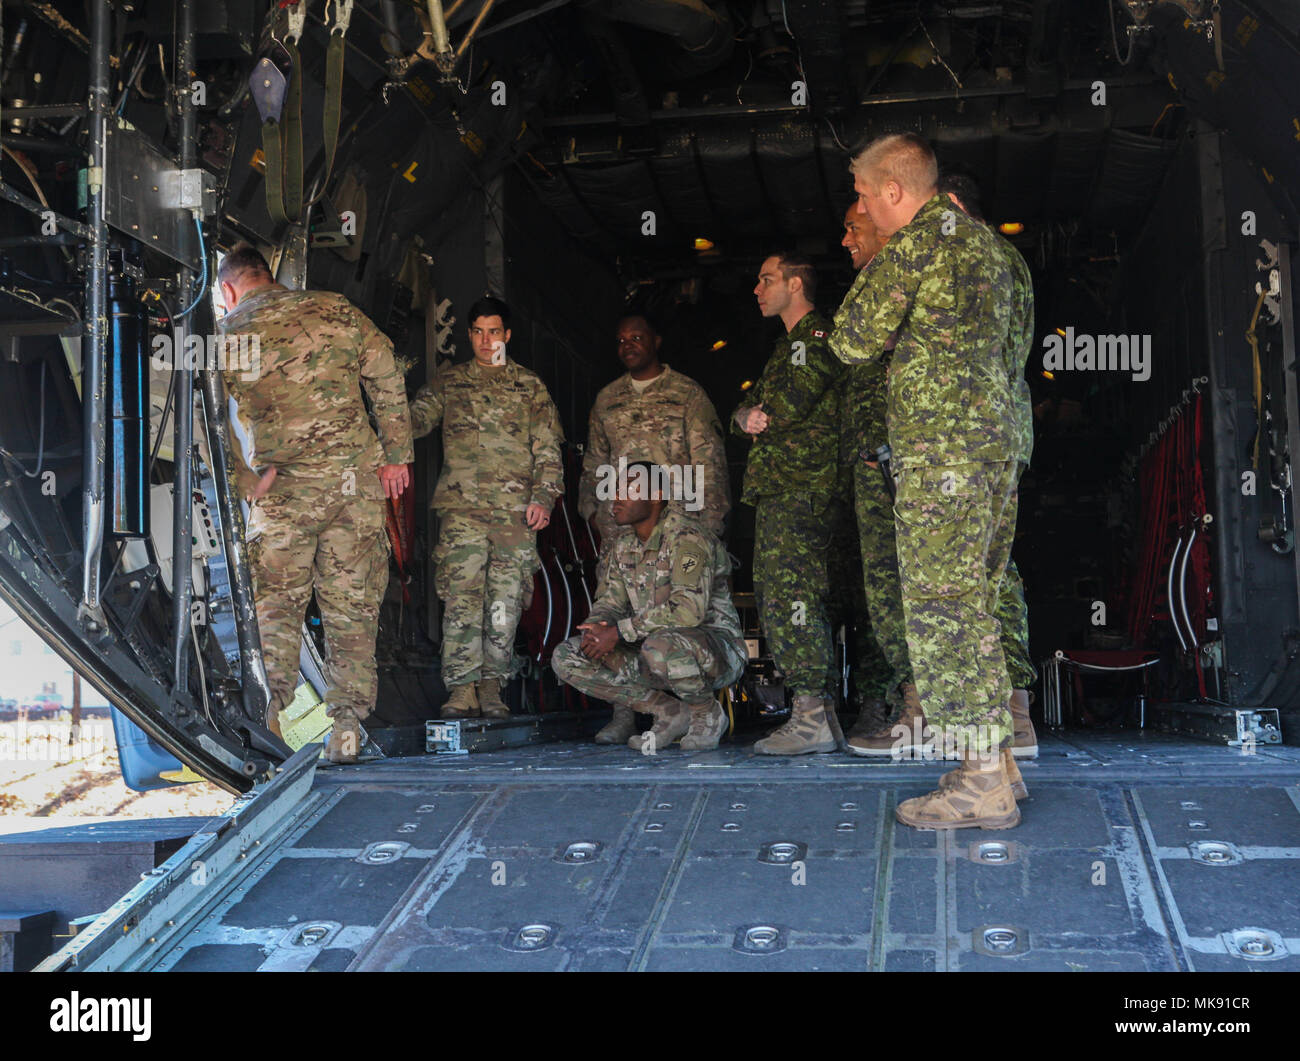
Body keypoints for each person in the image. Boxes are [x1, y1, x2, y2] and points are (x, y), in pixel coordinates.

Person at [830, 133, 1024, 830]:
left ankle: (980, 781)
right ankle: (999, 762)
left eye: (861, 195)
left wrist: (891, 331)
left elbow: (850, 337)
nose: (858, 210)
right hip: (995, 447)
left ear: (892, 190)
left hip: (942, 457)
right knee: (977, 603)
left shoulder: (917, 242)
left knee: (943, 609)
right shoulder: (992, 248)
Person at [217, 242, 412, 764]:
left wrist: (244, 482)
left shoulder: (229, 334)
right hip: (354, 487)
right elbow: (388, 374)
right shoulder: (335, 309)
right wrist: (397, 455)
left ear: (228, 289)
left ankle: (268, 718)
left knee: (274, 607)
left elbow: (208, 419)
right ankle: (346, 729)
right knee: (352, 607)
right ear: (271, 275)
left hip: (281, 493)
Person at [407, 296, 563, 720]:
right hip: (463, 513)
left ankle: (492, 686)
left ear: (507, 335)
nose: (484, 339)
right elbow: (415, 421)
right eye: (477, 331)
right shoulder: (449, 383)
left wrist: (544, 497)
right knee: (461, 601)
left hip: (515, 516)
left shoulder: (530, 387)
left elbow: (548, 448)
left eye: (493, 331)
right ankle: (461, 689)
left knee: (503, 603)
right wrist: (378, 410)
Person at [937, 170, 1039, 759]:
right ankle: (1015, 711)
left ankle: (999, 721)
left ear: (949, 204)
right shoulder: (1010, 259)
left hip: (970, 434)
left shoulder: (968, 257)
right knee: (994, 568)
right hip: (1003, 429)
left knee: (970, 576)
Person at [552, 461, 746, 752]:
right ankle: (668, 711)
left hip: (713, 654)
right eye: (615, 489)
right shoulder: (623, 545)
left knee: (660, 646)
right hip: (650, 649)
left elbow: (687, 611)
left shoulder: (687, 538)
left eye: (627, 489)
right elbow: (610, 602)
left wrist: (619, 632)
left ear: (656, 496)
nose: (615, 498)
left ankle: (705, 712)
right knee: (567, 656)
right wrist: (599, 629)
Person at [731, 251, 843, 754]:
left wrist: (754, 414)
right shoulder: (788, 346)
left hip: (799, 489)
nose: (757, 288)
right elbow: (751, 412)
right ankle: (818, 715)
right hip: (788, 489)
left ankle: (811, 714)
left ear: (796, 284)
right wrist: (744, 413)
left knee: (790, 598)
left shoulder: (812, 340)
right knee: (788, 596)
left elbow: (788, 404)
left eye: (766, 278)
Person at [835, 203, 925, 756]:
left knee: (931, 584)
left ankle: (936, 707)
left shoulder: (912, 275)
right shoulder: (867, 288)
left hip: (917, 460)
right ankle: (912, 699)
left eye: (853, 226)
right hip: (873, 464)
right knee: (886, 589)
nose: (845, 239)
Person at [578, 312, 730, 552]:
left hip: (677, 524)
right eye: (621, 340)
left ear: (656, 341)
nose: (627, 346)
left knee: (676, 589)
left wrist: (710, 525)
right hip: (620, 531)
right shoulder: (607, 399)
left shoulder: (686, 393)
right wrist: (593, 513)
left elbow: (709, 463)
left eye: (636, 337)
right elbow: (595, 461)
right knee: (617, 590)